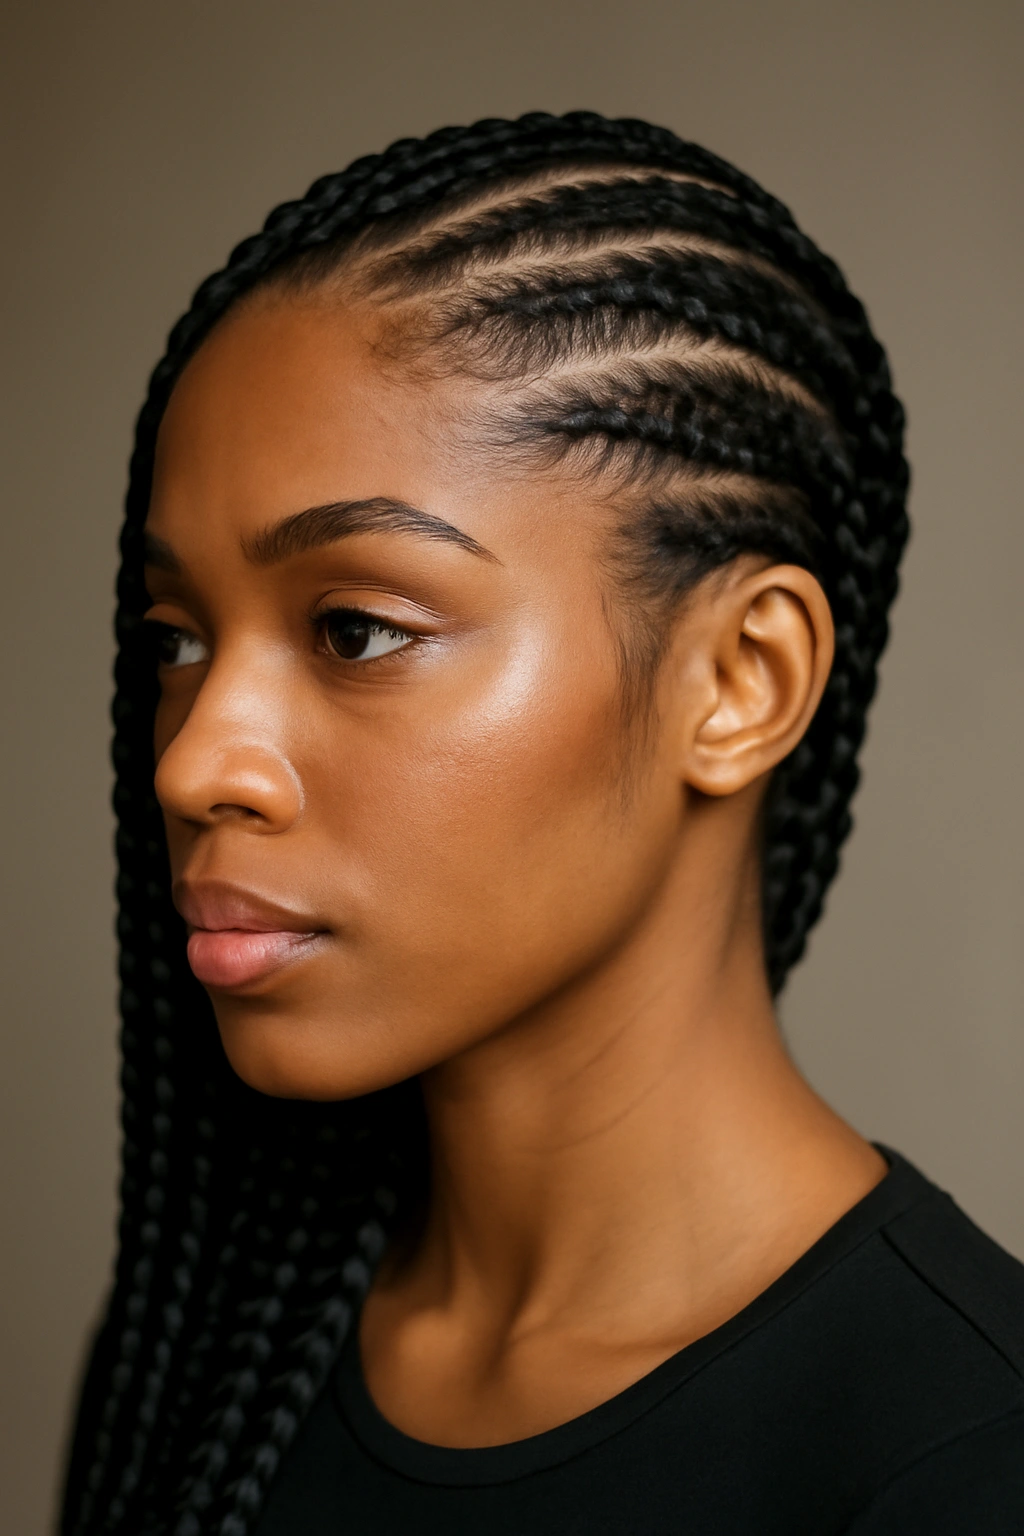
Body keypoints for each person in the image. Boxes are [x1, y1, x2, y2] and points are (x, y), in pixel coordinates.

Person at [62, 111, 1024, 1536]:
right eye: (175, 639)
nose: (197, 763)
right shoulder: (210, 1354)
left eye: (355, 629)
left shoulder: (963, 1459)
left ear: (740, 683)